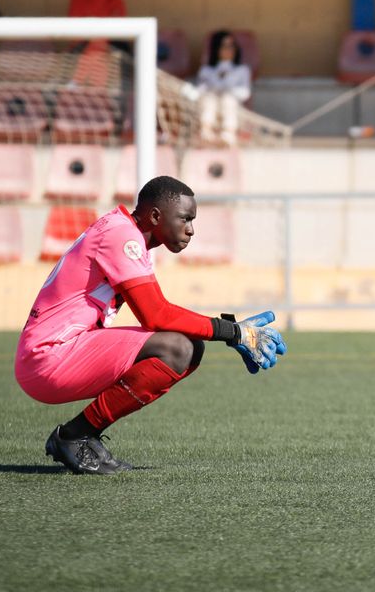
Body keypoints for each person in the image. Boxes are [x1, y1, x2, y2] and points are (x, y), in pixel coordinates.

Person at [16, 176, 286, 475]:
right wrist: (234, 333)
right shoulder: (123, 237)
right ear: (156, 216)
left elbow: (160, 312)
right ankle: (74, 436)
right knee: (178, 348)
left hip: (58, 351)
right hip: (49, 356)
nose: (191, 229)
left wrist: (230, 331)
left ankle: (79, 436)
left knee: (187, 347)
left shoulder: (123, 232)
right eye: (185, 218)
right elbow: (156, 315)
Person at [67, 0, 128, 89]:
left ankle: (77, 82)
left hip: (109, 47)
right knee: (93, 51)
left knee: (98, 52)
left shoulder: (116, 0)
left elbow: (118, 29)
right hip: (83, 47)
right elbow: (76, 30)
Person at [194, 29, 253, 145]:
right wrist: (213, 89)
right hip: (210, 107)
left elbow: (245, 93)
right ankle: (206, 132)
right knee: (209, 99)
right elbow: (200, 91)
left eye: (231, 46)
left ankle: (228, 134)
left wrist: (228, 91)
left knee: (228, 99)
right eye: (224, 46)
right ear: (216, 49)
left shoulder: (242, 70)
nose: (228, 50)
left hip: (233, 109)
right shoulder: (206, 70)